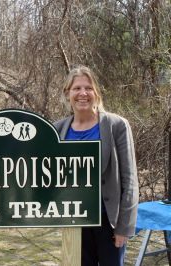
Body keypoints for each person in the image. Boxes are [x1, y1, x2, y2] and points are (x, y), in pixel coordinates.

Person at [54, 65, 139, 265]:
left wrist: (124, 227)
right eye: (76, 88)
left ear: (96, 93)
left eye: (88, 88)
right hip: (74, 221)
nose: (83, 93)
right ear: (68, 94)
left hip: (108, 221)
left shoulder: (116, 125)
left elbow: (130, 179)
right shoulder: (57, 129)